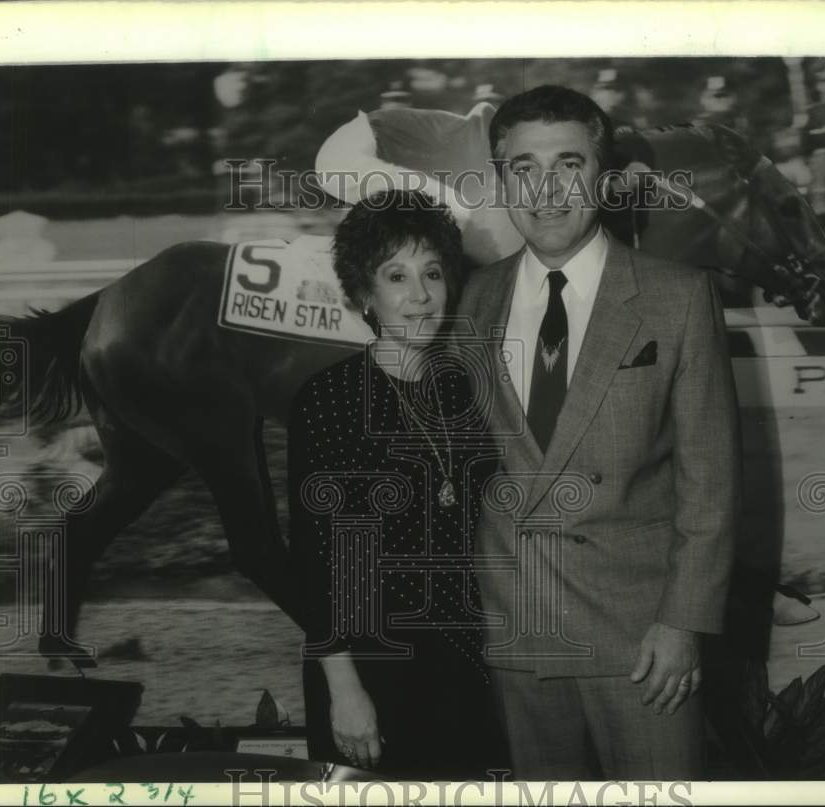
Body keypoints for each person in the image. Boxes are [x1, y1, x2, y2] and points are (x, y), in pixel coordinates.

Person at [456, 85, 741, 780]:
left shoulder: (678, 294)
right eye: (524, 167)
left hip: (642, 641)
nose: (546, 189)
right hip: (518, 630)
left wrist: (684, 623)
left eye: (568, 164)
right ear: (501, 180)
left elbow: (713, 479)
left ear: (603, 178)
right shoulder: (474, 298)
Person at [286, 188, 506, 779]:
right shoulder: (328, 399)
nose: (420, 296)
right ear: (364, 294)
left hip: (467, 664)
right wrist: (345, 689)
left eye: (432, 273)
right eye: (396, 276)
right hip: (369, 667)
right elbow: (314, 560)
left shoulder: (468, 391)